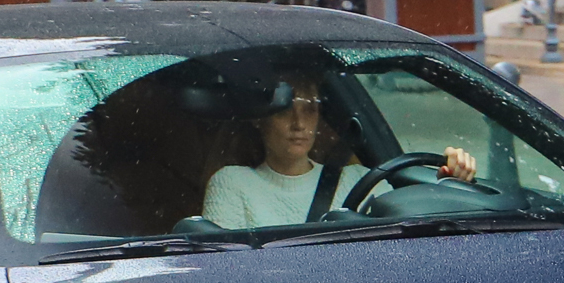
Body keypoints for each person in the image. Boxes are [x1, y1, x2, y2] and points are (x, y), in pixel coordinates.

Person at [199, 78, 476, 231]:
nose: (299, 124)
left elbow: (407, 235)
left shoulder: (356, 179)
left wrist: (451, 183)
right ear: (261, 119)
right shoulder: (233, 183)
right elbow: (228, 272)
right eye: (285, 110)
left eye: (310, 110)